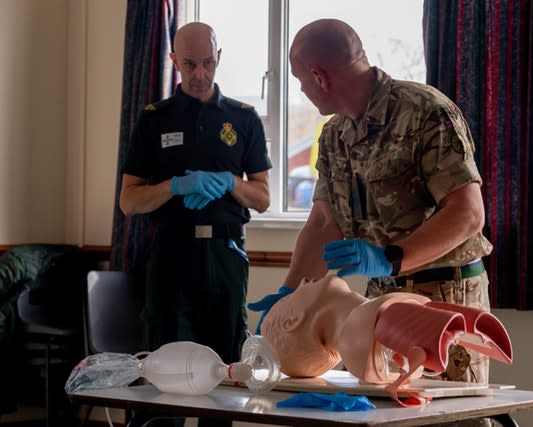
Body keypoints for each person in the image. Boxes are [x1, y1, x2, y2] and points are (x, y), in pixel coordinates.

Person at [248, 17, 493, 404]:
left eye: (300, 81)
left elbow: (468, 214)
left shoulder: (425, 112)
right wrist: (289, 293)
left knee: (453, 414)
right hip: (379, 298)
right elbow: (324, 220)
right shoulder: (334, 135)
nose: (302, 89)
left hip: (446, 293)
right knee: (383, 408)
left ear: (319, 76)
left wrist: (392, 257)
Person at [119, 22, 271, 427]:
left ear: (218, 58)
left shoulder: (243, 118)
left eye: (207, 63)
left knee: (223, 373)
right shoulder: (154, 119)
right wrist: (173, 185)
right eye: (190, 64)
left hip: (225, 254)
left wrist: (230, 183)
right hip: (172, 253)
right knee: (166, 371)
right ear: (173, 61)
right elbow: (129, 201)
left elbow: (262, 197)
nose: (200, 74)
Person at [260, 275, 512, 406]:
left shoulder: (371, 320)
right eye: (290, 298)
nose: (303, 282)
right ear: (292, 320)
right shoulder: (365, 324)